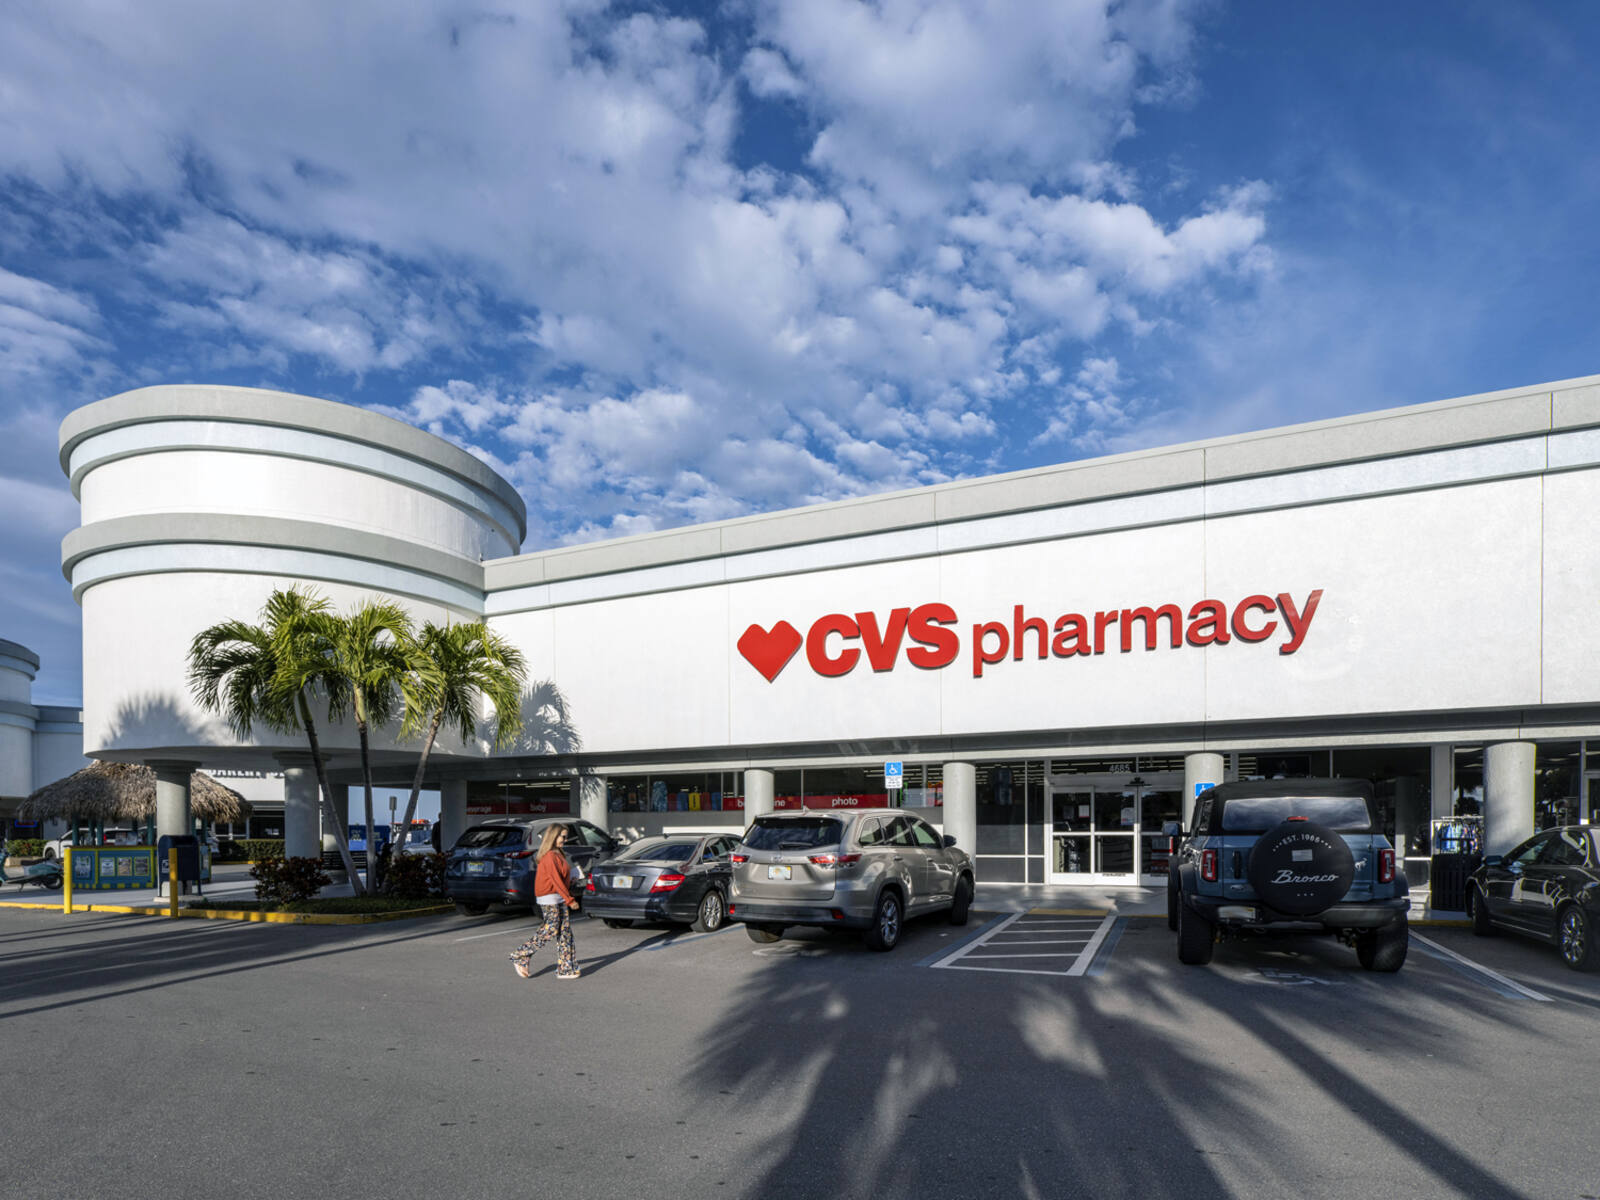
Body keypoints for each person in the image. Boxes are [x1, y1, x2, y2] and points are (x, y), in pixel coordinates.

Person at [508, 825, 581, 980]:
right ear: (553, 837)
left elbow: (560, 878)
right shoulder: (549, 856)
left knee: (565, 933)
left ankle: (566, 968)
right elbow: (555, 880)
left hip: (558, 896)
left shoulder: (558, 853)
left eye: (566, 837)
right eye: (563, 836)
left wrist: (572, 879)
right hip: (550, 897)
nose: (565, 840)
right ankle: (521, 954)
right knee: (551, 929)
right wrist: (570, 899)